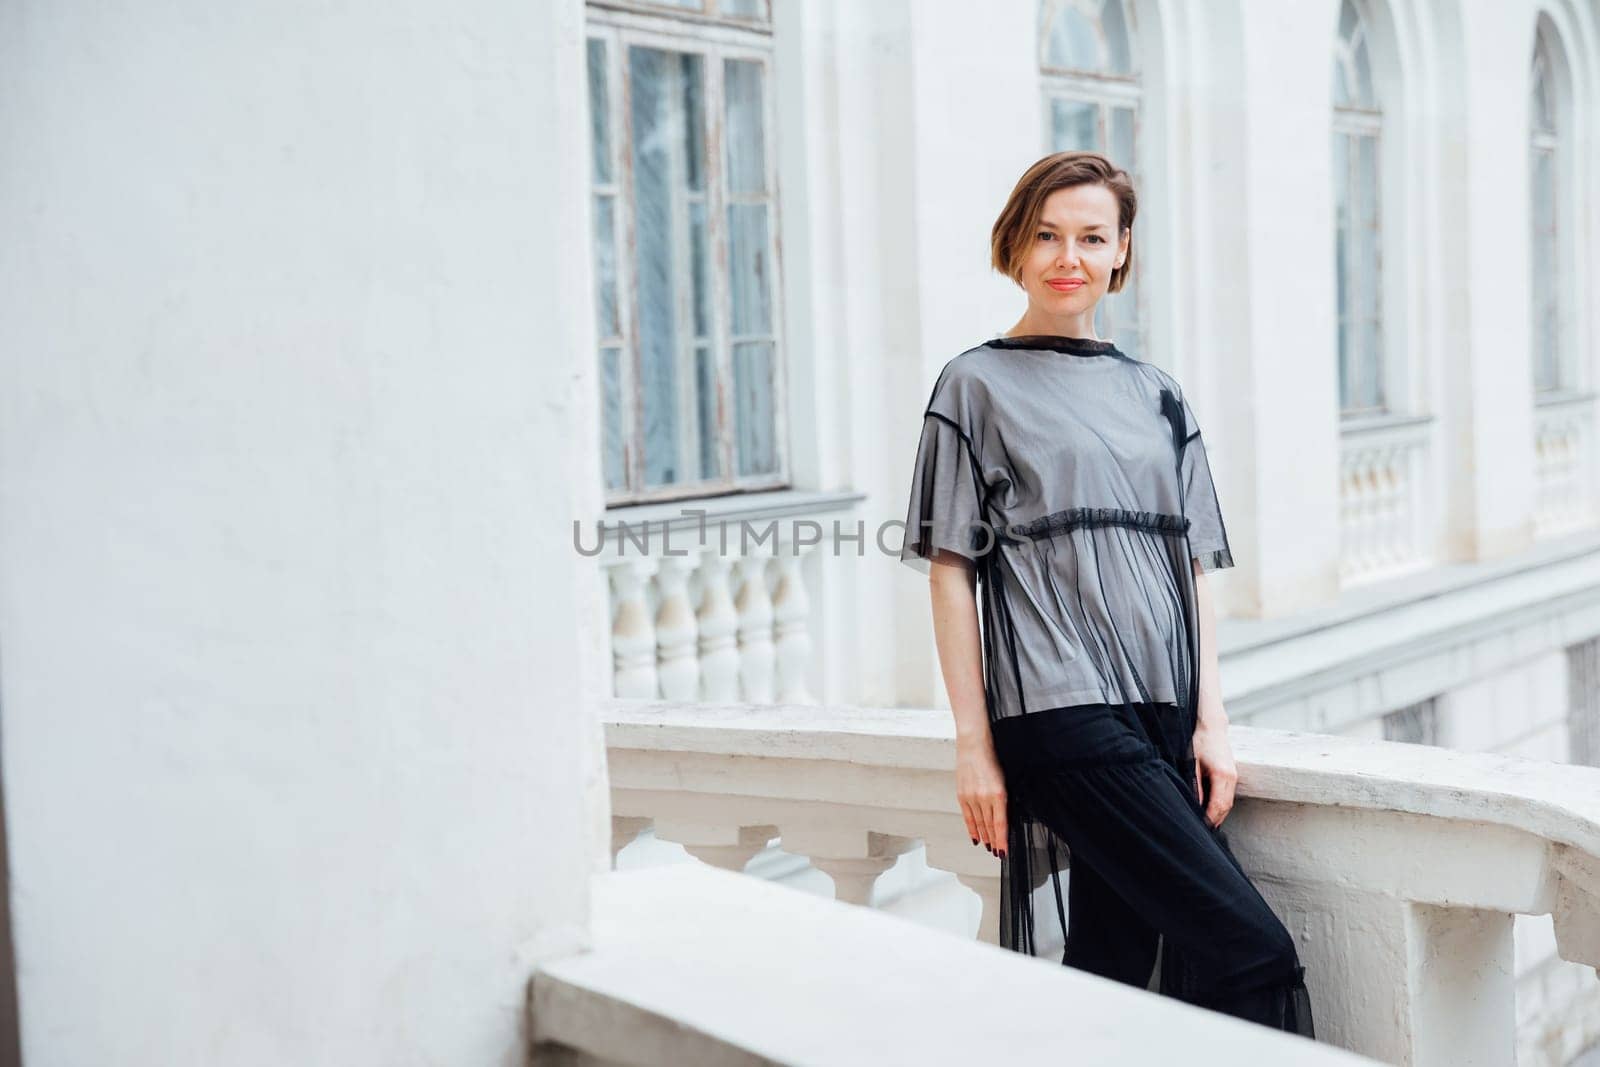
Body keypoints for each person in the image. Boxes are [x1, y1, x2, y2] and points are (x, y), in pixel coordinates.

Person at [898, 150, 1315, 1036]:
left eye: (1091, 237)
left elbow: (1188, 567)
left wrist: (1212, 720)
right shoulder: (974, 385)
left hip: (1158, 711)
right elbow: (951, 569)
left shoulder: (1157, 393)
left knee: (1112, 972)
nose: (1068, 257)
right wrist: (972, 744)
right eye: (1046, 235)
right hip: (1058, 713)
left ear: (1122, 251)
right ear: (1015, 244)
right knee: (1251, 949)